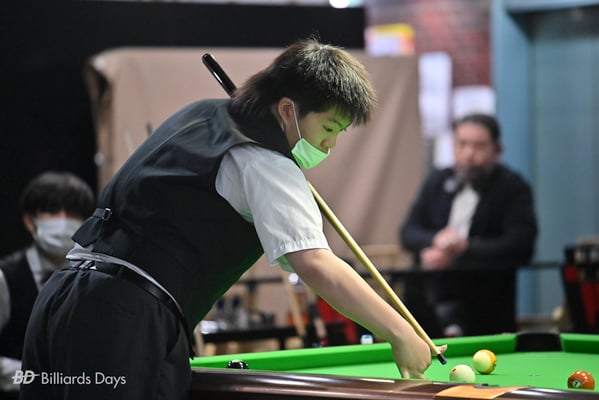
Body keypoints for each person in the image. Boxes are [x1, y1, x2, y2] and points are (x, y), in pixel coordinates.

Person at [21, 38, 445, 400]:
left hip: (60, 299)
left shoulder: (201, 114)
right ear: (287, 109)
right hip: (122, 320)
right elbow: (316, 264)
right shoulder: (266, 162)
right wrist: (400, 332)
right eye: (329, 128)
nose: (330, 145)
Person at [400, 113, 538, 338]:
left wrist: (464, 249)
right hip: (430, 298)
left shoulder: (513, 187)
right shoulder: (437, 180)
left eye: (479, 146)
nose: (469, 154)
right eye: (462, 144)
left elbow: (521, 244)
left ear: (497, 150)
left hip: (485, 302)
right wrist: (435, 241)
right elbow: (408, 232)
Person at [0, 171, 94, 399]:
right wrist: (43, 379)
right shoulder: (6, 277)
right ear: (29, 221)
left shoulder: (95, 275)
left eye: (73, 213)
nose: (63, 219)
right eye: (52, 211)